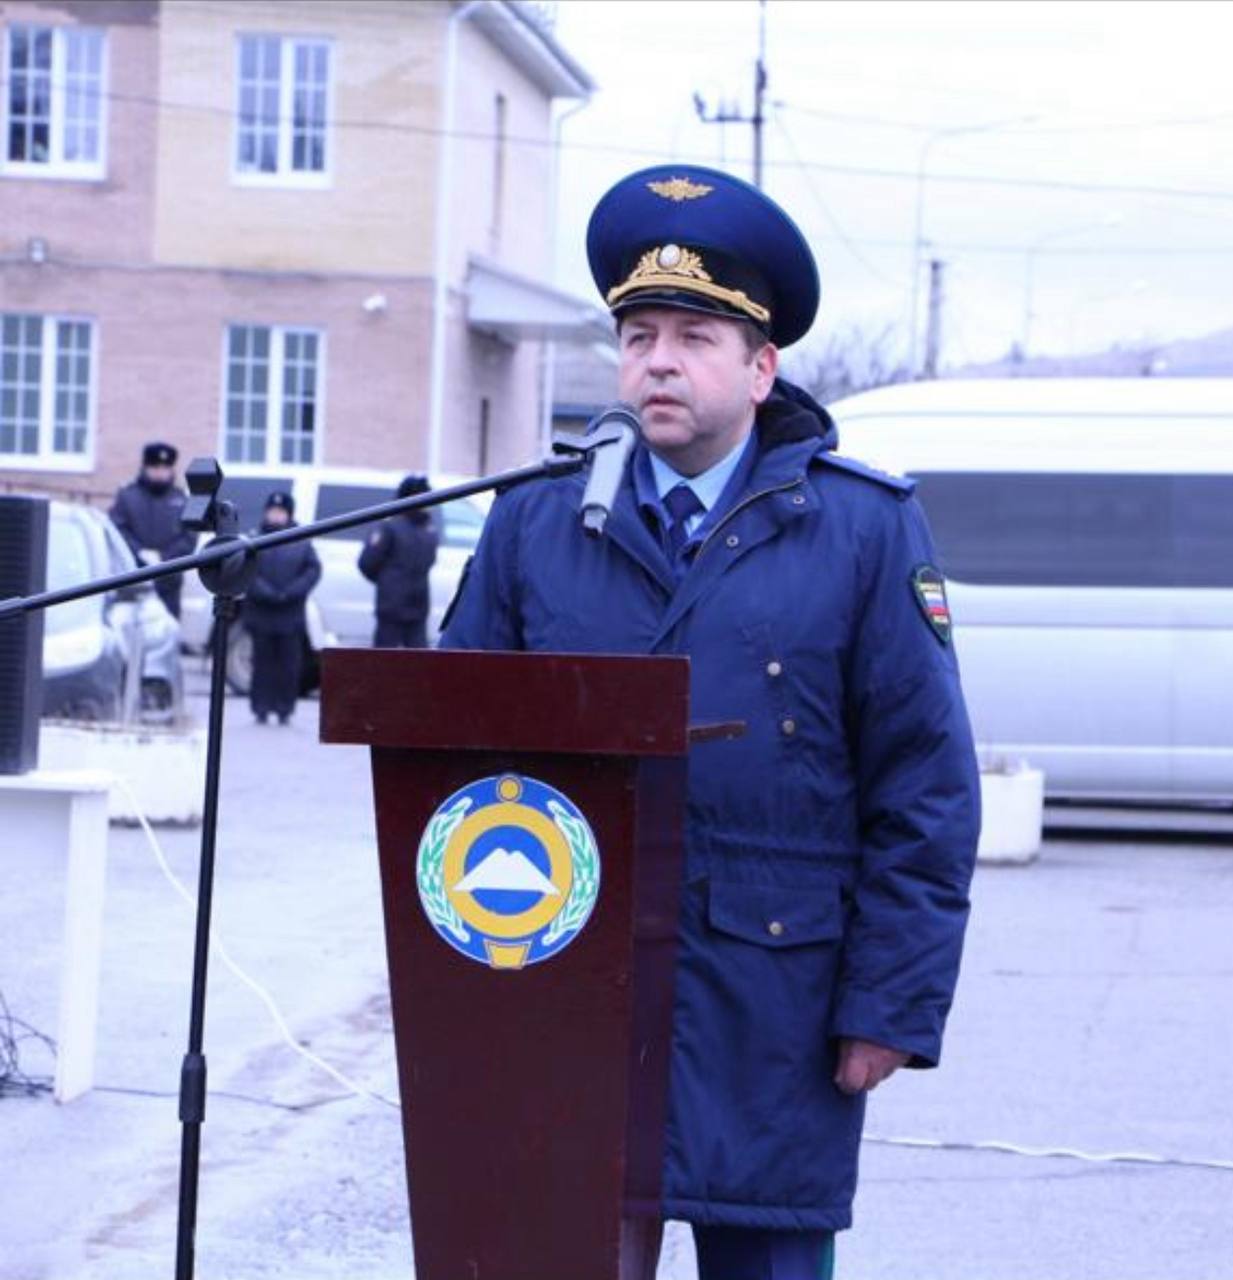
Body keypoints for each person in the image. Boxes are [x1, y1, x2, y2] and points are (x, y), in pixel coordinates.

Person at [442, 164, 981, 1280]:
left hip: (776, 1009)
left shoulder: (860, 527)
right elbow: (450, 752)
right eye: (639, 336)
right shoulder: (537, 519)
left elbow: (925, 785)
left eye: (695, 337)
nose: (660, 361)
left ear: (760, 367)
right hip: (564, 990)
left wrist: (889, 1002)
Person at [242, 490, 321, 725]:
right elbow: (246, 570)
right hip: (261, 612)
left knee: (289, 665)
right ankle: (261, 707)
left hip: (290, 614)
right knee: (262, 664)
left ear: (289, 514)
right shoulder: (253, 538)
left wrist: (292, 591)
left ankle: (285, 708)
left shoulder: (301, 540)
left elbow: (312, 570)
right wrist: (265, 591)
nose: (276, 516)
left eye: (281, 512)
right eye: (272, 511)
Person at [109, 441, 196, 619]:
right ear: (145, 467)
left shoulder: (181, 499)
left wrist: (163, 558)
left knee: (169, 629)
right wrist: (139, 552)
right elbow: (117, 530)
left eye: (165, 468)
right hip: (133, 579)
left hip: (169, 581)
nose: (160, 472)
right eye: (155, 467)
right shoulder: (127, 496)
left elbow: (189, 537)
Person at [358, 473, 439, 649]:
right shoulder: (390, 526)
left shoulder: (428, 527)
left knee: (418, 660)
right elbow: (367, 563)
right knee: (385, 659)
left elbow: (430, 561)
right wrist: (388, 582)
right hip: (391, 608)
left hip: (418, 607)